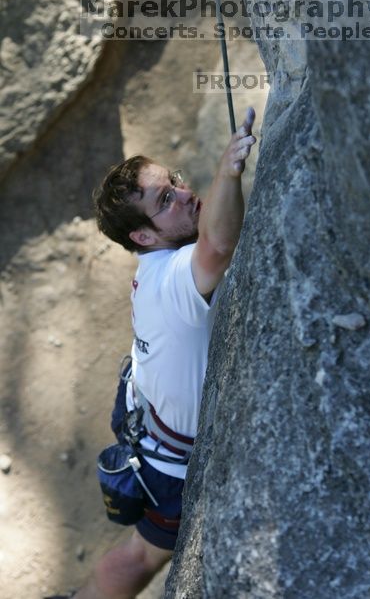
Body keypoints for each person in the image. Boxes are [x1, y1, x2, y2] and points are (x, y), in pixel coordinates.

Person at [47, 108, 256, 599]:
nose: (186, 194)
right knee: (141, 556)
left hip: (148, 417)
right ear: (142, 236)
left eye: (176, 182)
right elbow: (219, 245)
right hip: (168, 466)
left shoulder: (155, 263)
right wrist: (228, 169)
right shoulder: (172, 279)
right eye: (167, 199)